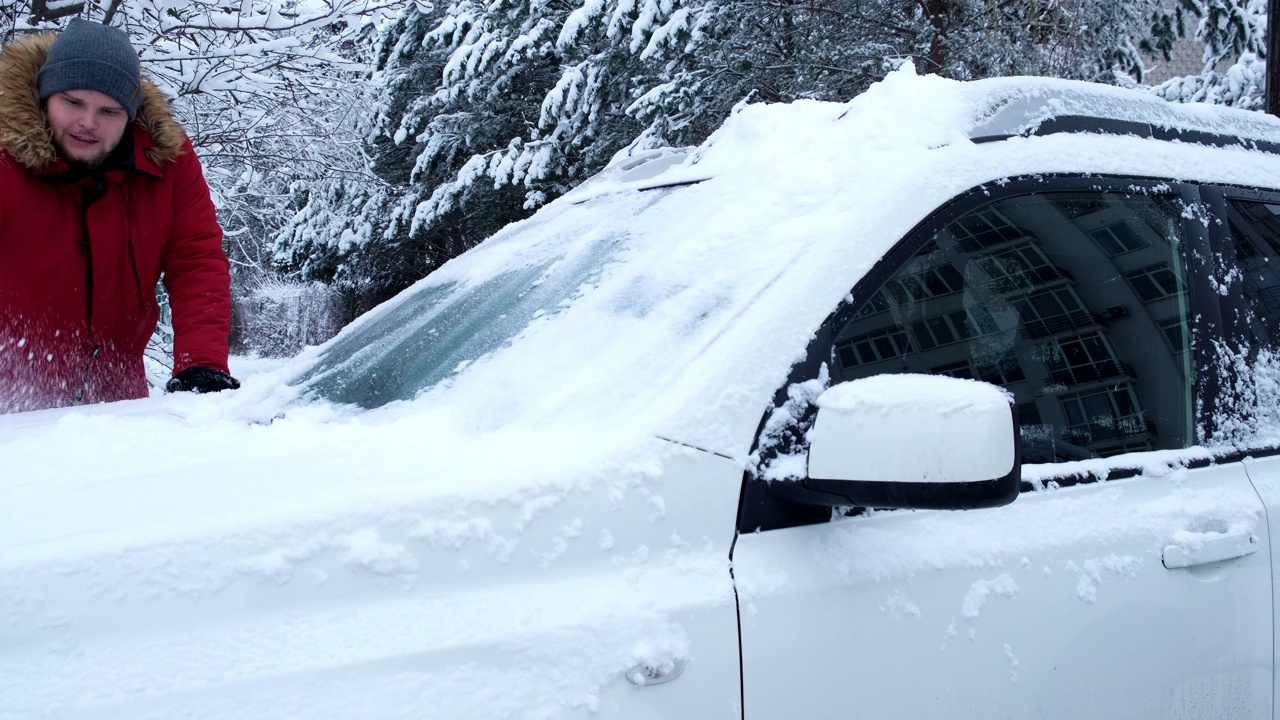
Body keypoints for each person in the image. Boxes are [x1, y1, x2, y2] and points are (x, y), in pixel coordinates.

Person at [0, 18, 239, 414]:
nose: (88, 123)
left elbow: (196, 259)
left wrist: (202, 363)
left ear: (130, 116)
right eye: (73, 102)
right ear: (44, 97)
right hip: (12, 408)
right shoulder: (5, 162)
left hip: (116, 408)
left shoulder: (168, 163)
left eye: (108, 110)